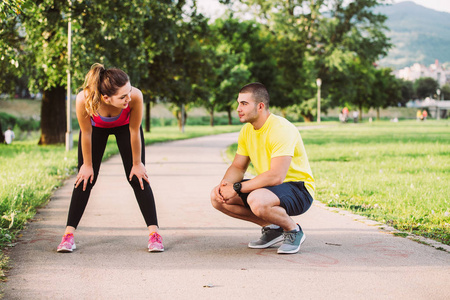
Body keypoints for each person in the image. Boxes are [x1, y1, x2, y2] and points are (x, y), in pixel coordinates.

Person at [57, 63, 163, 253]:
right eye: (123, 96)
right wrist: (87, 165)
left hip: (126, 128)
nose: (128, 98)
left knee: (138, 177)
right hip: (95, 130)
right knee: (85, 179)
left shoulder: (135, 97)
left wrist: (137, 164)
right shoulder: (85, 99)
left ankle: (154, 234)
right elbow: (86, 133)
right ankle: (68, 236)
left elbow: (134, 130)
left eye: (129, 92)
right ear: (106, 98)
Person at [210, 83, 315, 254]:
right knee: (217, 197)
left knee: (257, 200)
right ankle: (273, 228)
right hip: (269, 189)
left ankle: (293, 230)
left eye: (244, 103)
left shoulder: (281, 129)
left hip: (299, 189)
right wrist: (226, 186)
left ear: (260, 106)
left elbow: (276, 176)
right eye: (238, 103)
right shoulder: (247, 131)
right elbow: (238, 166)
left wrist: (237, 188)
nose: (238, 108)